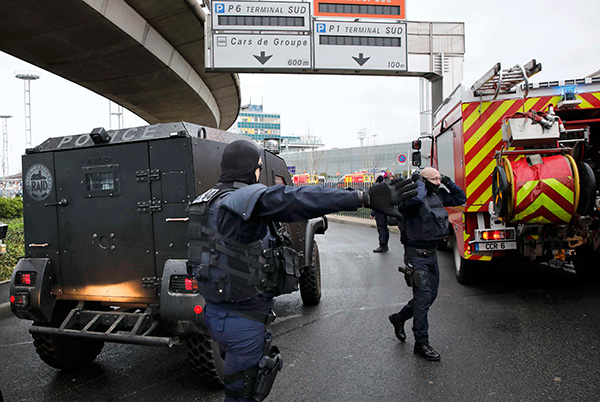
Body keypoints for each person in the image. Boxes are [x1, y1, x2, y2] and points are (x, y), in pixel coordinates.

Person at [187, 140, 417, 401]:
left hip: (217, 312)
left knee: (240, 383)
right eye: (259, 167)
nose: (259, 173)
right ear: (250, 169)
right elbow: (296, 198)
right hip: (243, 319)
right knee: (244, 393)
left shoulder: (205, 201)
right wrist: (361, 197)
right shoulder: (244, 200)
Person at [388, 167, 466, 362]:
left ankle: (399, 318)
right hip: (416, 257)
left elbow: (460, 198)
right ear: (423, 181)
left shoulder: (437, 196)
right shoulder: (410, 197)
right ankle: (421, 343)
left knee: (430, 297)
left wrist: (447, 182)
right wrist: (419, 183)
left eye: (440, 179)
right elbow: (415, 200)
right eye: (435, 179)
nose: (438, 182)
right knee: (422, 300)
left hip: (431, 255)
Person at [371, 173, 393, 253]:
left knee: (381, 228)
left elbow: (377, 202)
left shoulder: (377, 187)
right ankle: (385, 245)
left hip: (380, 212)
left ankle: (382, 245)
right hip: (386, 210)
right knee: (384, 229)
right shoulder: (386, 187)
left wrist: (373, 213)